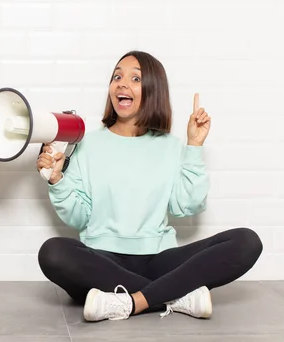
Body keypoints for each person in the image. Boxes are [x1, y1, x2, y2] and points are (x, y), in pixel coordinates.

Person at [36, 50, 263, 322]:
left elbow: (186, 206)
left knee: (247, 241)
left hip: (160, 259)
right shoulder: (86, 145)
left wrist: (193, 147)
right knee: (53, 252)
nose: (122, 83)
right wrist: (57, 180)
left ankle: (129, 301)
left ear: (153, 90)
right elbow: (79, 217)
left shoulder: (169, 147)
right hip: (102, 261)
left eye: (135, 78)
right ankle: (174, 294)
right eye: (117, 76)